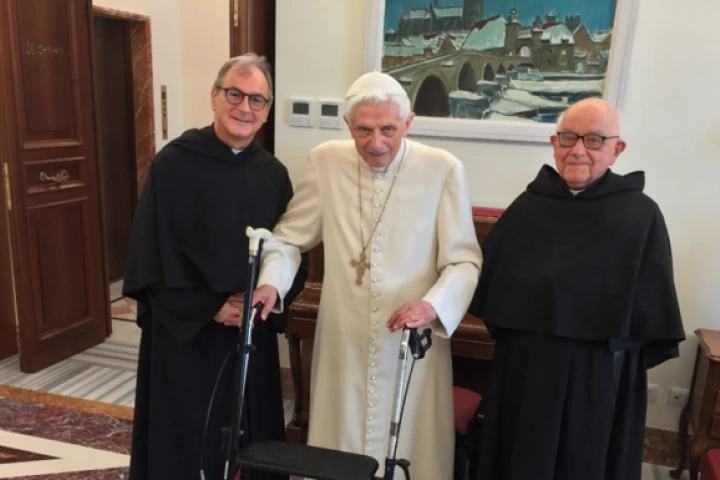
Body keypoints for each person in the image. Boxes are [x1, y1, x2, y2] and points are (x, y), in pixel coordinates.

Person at [251, 71, 482, 480]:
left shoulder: (442, 169)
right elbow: (288, 239)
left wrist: (433, 305)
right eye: (364, 130)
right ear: (347, 124)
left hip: (411, 344)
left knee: (412, 449)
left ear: (408, 123)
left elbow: (464, 261)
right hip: (344, 339)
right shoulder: (326, 161)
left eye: (388, 129)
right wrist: (272, 281)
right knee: (338, 445)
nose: (376, 143)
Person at [469, 98, 685, 480]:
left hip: (597, 373)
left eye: (594, 139)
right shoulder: (527, 206)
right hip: (527, 368)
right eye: (569, 138)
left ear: (617, 149)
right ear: (554, 144)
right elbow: (493, 290)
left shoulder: (641, 215)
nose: (578, 150)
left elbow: (651, 314)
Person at [123, 53, 307, 480]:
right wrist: (210, 307)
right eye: (235, 94)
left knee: (250, 441)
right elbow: (151, 253)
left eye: (257, 100)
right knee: (186, 444)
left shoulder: (273, 174)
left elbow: (289, 248)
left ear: (267, 110)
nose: (245, 107)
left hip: (248, 332)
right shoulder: (173, 164)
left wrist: (264, 297)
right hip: (185, 333)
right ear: (214, 97)